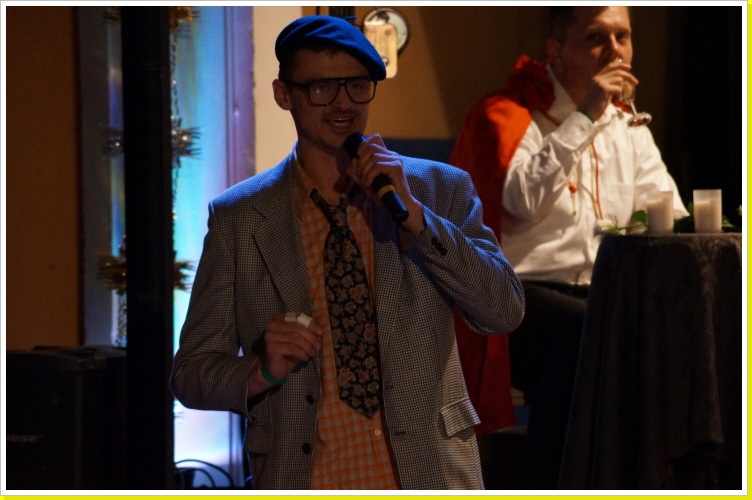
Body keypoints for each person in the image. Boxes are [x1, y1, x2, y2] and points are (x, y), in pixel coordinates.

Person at [170, 15, 525, 490]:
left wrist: (416, 218)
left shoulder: (438, 190)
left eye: (357, 85)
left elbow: (503, 310)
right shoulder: (240, 217)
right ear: (284, 94)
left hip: (428, 475)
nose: (343, 103)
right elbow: (192, 374)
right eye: (321, 88)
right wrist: (260, 372)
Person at [450, 6, 688, 489]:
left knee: (667, 330)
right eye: (596, 38)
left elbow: (668, 212)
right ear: (556, 51)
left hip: (603, 293)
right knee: (585, 333)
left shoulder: (629, 128)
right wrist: (584, 117)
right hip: (518, 298)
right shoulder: (511, 113)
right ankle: (551, 484)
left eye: (623, 36)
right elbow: (520, 201)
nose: (614, 50)